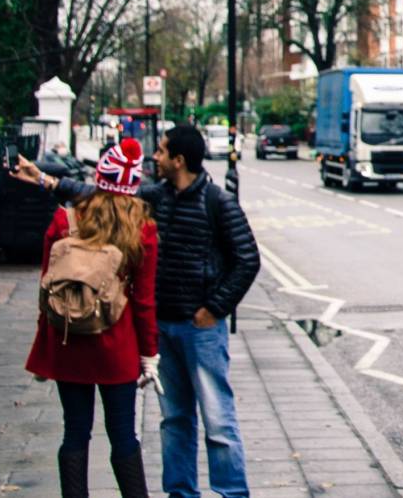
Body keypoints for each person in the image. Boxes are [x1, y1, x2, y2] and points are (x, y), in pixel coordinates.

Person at [15, 123, 261, 498]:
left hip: (189, 328)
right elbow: (108, 197)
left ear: (179, 160)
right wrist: (46, 180)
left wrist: (214, 308)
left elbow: (247, 260)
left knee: (215, 422)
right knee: (156, 425)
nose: (154, 157)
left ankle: (231, 493)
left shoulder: (217, 202)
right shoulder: (147, 213)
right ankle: (179, 493)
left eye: (161, 151)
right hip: (136, 337)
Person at [25, 138, 159, 498]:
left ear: (99, 178)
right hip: (117, 346)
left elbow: (46, 288)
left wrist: (43, 348)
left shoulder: (65, 219)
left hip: (67, 340)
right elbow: (144, 301)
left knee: (74, 432)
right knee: (123, 435)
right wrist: (149, 355)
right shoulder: (142, 229)